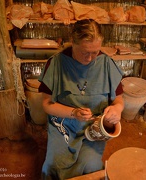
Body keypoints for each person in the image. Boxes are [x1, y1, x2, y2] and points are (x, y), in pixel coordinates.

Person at [38, 19, 124, 180]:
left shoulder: (107, 64)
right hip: (63, 124)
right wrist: (74, 113)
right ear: (73, 42)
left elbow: (119, 100)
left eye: (95, 52)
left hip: (94, 127)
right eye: (85, 52)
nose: (90, 58)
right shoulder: (56, 64)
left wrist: (117, 109)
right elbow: (46, 104)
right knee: (53, 165)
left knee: (91, 166)